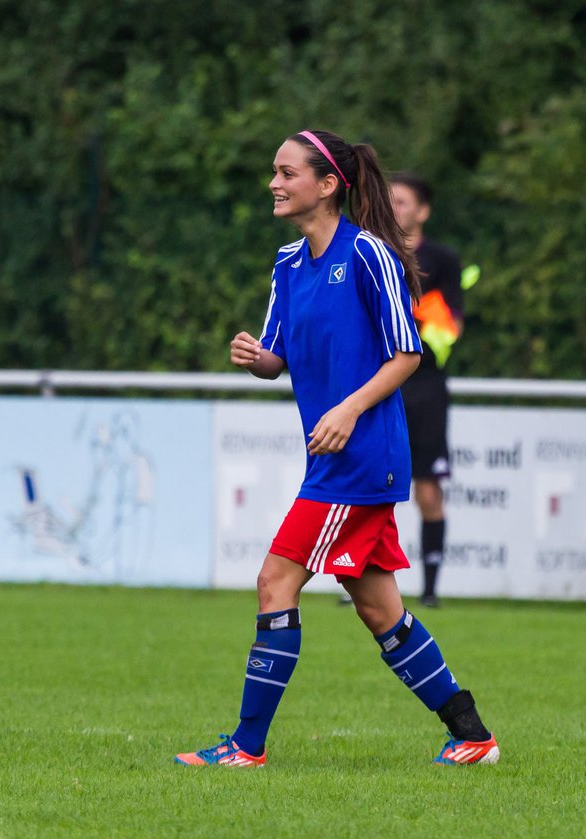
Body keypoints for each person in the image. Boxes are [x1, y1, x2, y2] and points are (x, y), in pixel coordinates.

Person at [175, 129, 499, 768]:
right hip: (332, 456)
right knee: (380, 609)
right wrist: (256, 358)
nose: (274, 182)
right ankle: (471, 733)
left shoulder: (371, 254)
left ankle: (245, 748)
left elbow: (409, 352)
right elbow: (279, 358)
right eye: (274, 171)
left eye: (287, 172)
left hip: (361, 457)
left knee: (276, 580)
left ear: (328, 186)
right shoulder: (287, 265)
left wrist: (349, 410)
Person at [389, 172, 465, 608]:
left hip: (426, 387)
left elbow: (450, 325)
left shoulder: (442, 259)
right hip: (379, 386)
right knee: (372, 488)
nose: (394, 208)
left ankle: (431, 588)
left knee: (428, 488)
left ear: (422, 211)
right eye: (389, 201)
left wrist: (410, 313)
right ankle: (358, 580)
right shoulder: (370, 253)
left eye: (402, 201)